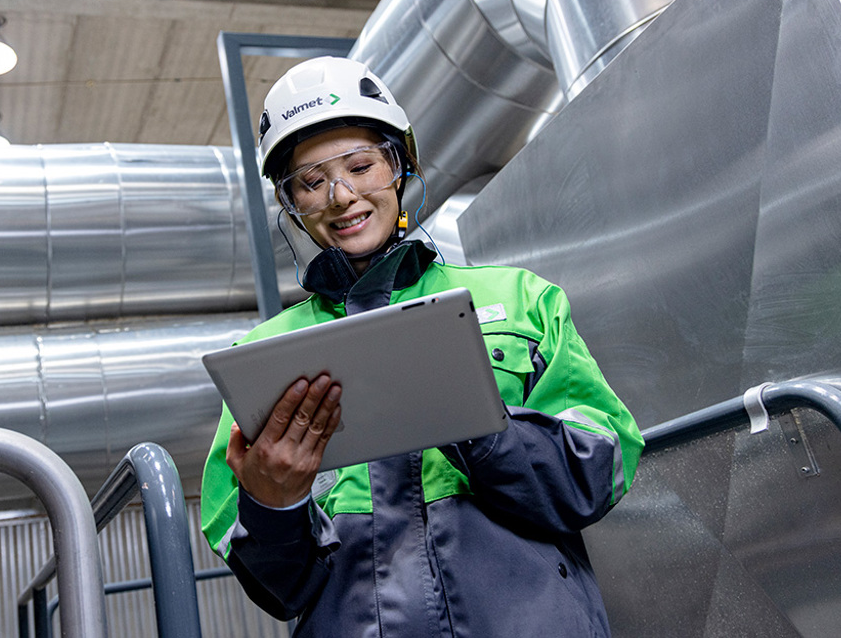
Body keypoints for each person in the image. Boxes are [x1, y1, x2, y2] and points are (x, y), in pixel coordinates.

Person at [200, 56, 644, 637]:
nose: (341, 195)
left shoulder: (520, 301)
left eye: (361, 166)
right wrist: (274, 505)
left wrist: (481, 429)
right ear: (291, 207)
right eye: (310, 183)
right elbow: (281, 591)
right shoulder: (262, 359)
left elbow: (602, 470)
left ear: (400, 164)